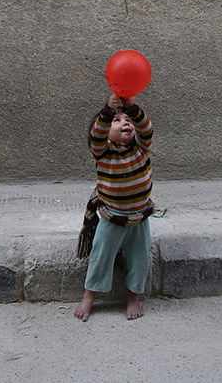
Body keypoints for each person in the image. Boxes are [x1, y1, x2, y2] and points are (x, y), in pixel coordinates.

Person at [75, 93, 155, 321]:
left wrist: (133, 108)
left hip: (139, 218)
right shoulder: (103, 153)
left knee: (140, 258)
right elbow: (96, 136)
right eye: (117, 121)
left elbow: (147, 128)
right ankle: (90, 295)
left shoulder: (142, 147)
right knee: (101, 256)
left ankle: (134, 296)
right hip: (113, 219)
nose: (126, 123)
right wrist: (108, 112)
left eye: (128, 120)